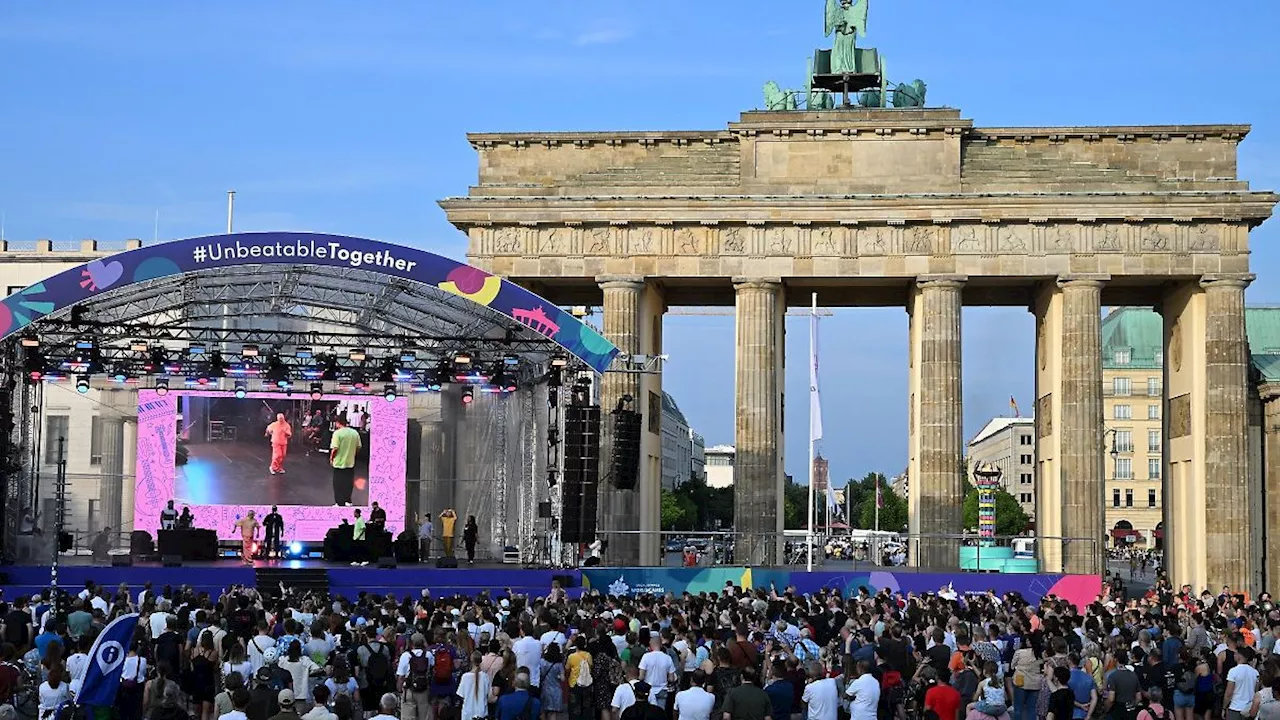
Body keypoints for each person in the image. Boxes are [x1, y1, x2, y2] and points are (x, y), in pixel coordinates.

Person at [329, 418, 361, 507]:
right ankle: (348, 501)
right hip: (350, 462)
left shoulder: (337, 433)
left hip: (339, 462)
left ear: (338, 423)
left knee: (338, 483)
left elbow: (335, 448)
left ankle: (339, 502)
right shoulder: (355, 433)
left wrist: (331, 458)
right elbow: (358, 447)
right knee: (348, 482)